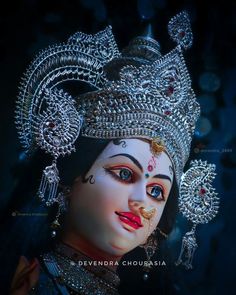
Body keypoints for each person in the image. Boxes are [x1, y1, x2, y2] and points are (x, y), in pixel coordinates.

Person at [7, 11, 219, 295]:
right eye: (124, 173)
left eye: (157, 191)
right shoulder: (25, 282)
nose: (143, 203)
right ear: (66, 182)